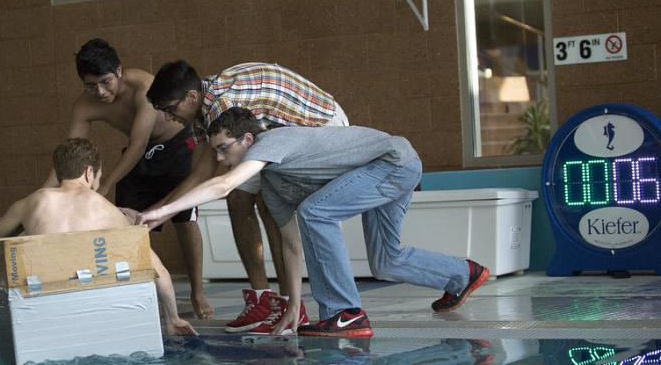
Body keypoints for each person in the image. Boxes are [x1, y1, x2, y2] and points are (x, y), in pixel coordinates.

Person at [138, 107, 490, 337]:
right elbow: (291, 243)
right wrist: (294, 304)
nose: (219, 158)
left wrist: (158, 212)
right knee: (386, 260)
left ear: (247, 140)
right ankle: (462, 274)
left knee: (315, 211)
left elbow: (223, 186)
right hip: (389, 169)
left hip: (393, 161)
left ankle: (345, 312)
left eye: (223, 148)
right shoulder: (273, 183)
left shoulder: (275, 140)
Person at [145, 60, 348, 333]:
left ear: (191, 97)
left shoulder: (222, 106)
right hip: (278, 131)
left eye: (170, 109)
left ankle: (291, 307)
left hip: (322, 127)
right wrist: (154, 214)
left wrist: (156, 214)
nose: (169, 118)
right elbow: (199, 173)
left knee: (268, 200)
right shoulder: (203, 108)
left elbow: (214, 180)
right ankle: (263, 299)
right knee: (240, 199)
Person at [42, 39, 212, 318]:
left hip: (177, 145)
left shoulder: (144, 87)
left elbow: (137, 144)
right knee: (125, 223)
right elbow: (68, 157)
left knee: (184, 219)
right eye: (90, 85)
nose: (99, 91)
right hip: (141, 157)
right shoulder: (84, 106)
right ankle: (137, 291)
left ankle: (197, 292)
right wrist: (45, 195)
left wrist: (104, 187)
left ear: (119, 71)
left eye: (106, 82)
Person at [0, 138, 197, 336]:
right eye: (99, 174)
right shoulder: (107, 210)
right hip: (90, 308)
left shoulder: (31, 202)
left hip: (39, 307)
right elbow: (158, 270)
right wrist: (172, 318)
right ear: (89, 172)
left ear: (58, 173)